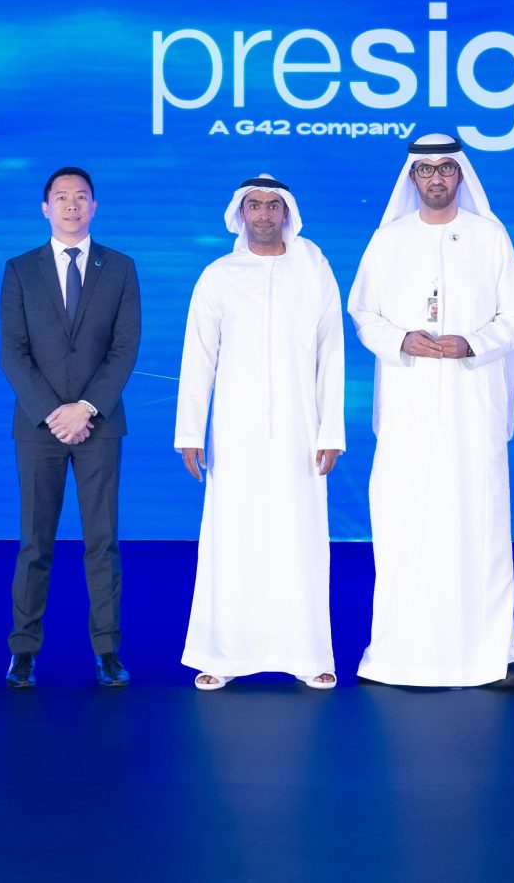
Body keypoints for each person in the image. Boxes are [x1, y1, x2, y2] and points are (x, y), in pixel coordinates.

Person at [347, 133, 514, 688]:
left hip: (473, 408)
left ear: (459, 175)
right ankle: (397, 656)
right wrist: (401, 339)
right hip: (408, 409)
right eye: (425, 170)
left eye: (445, 169)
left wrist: (470, 343)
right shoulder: (389, 240)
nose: (435, 178)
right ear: (412, 177)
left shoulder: (490, 237)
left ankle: (490, 657)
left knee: (480, 526)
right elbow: (363, 313)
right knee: (405, 523)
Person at [175, 175, 345, 691]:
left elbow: (331, 350)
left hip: (300, 430)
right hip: (235, 431)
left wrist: (331, 430)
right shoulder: (219, 275)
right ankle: (221, 654)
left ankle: (309, 654)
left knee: (301, 539)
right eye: (255, 205)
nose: (264, 214)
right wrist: (190, 431)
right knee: (232, 538)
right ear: (241, 213)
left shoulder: (313, 268)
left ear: (287, 212)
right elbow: (198, 356)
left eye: (274, 205)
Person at [0, 167, 141, 689]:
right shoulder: (20, 270)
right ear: (45, 208)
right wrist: (54, 413)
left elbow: (125, 348)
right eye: (61, 197)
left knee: (102, 542)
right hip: (38, 427)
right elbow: (12, 352)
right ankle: (23, 652)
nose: (72, 205)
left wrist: (86, 408)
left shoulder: (120, 267)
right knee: (34, 543)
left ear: (94, 206)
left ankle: (107, 650)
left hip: (99, 426)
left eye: (81, 197)